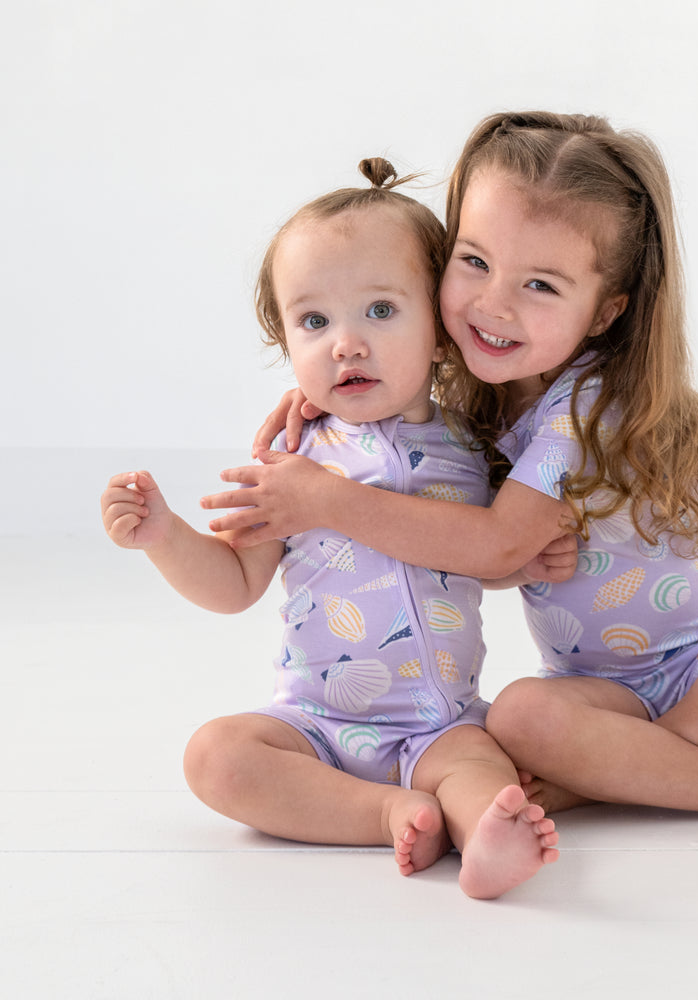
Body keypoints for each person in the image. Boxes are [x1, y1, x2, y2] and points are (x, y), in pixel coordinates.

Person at [201, 113, 698, 818]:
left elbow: (494, 545)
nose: (494, 305)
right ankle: (633, 770)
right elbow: (450, 519)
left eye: (541, 285)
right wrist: (337, 399)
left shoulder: (588, 405)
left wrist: (327, 498)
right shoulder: (482, 398)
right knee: (520, 716)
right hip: (593, 698)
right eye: (475, 262)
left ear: (606, 311)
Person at [100, 158, 562, 900]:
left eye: (380, 310)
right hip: (314, 723)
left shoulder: (472, 448)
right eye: (314, 322)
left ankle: (487, 837)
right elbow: (234, 584)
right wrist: (165, 537)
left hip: (437, 724)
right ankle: (385, 813)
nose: (346, 343)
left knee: (483, 769)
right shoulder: (292, 460)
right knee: (216, 755)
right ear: (286, 342)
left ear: (440, 331)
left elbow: (477, 554)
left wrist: (523, 565)